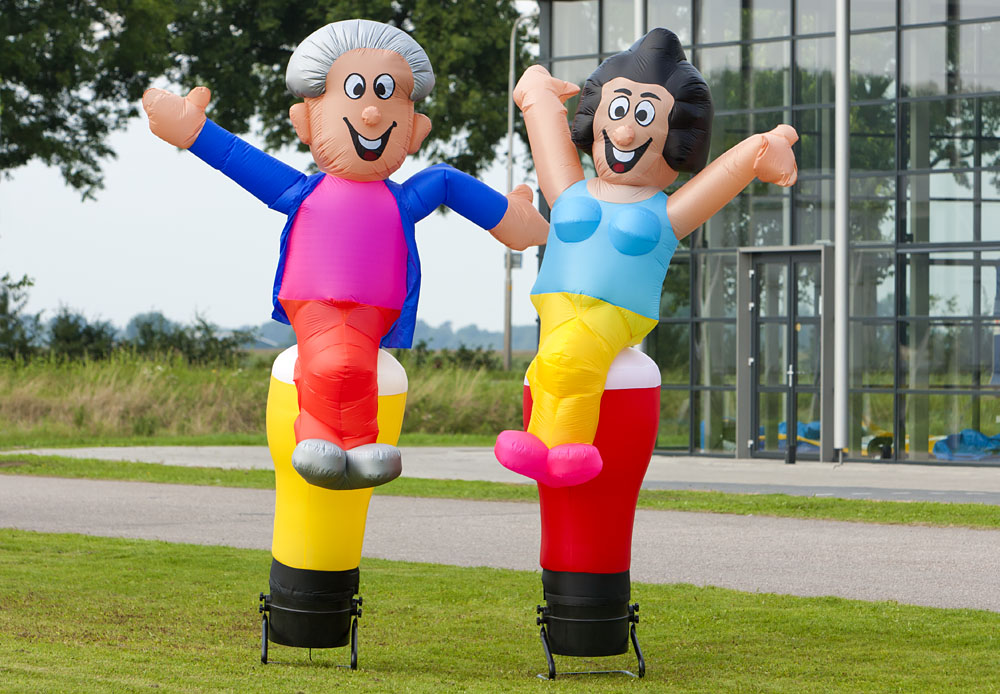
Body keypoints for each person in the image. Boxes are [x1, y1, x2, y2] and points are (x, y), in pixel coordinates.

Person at [144, 19, 547, 491]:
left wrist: (513, 217)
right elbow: (239, 159)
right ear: (306, 122)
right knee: (336, 362)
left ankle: (354, 441)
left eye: (385, 93)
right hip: (315, 295)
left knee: (352, 363)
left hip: (376, 304)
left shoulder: (404, 197)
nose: (372, 113)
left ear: (415, 129)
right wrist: (195, 130)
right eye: (355, 92)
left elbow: (452, 185)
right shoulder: (304, 191)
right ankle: (322, 434)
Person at [496, 28, 798, 487]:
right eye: (618, 111)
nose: (625, 130)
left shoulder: (664, 211)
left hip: (617, 309)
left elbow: (720, 178)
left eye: (644, 115)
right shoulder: (571, 189)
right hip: (555, 300)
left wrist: (764, 146)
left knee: (569, 360)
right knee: (549, 364)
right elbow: (548, 139)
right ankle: (550, 449)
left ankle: (560, 447)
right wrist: (537, 90)